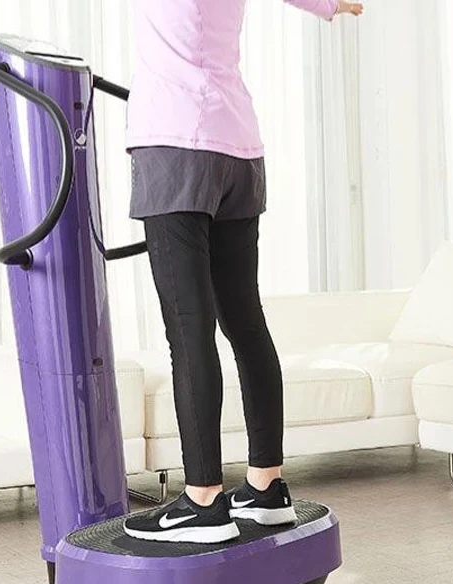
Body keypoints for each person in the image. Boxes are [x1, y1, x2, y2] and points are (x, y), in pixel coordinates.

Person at [123, 0, 364, 544]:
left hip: (173, 141)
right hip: (239, 150)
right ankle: (265, 488)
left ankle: (202, 501)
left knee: (189, 331)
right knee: (245, 322)